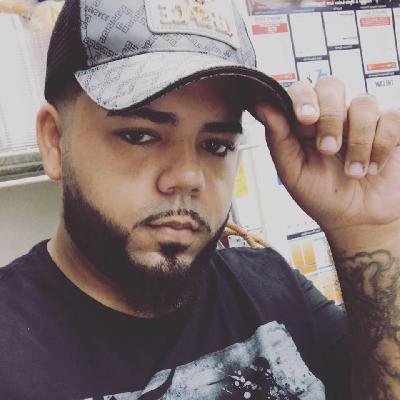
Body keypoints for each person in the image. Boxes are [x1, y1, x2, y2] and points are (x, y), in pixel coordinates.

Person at [0, 0, 399, 399]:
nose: (189, 177)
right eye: (140, 135)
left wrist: (366, 233)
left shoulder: (272, 288)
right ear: (54, 140)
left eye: (216, 144)